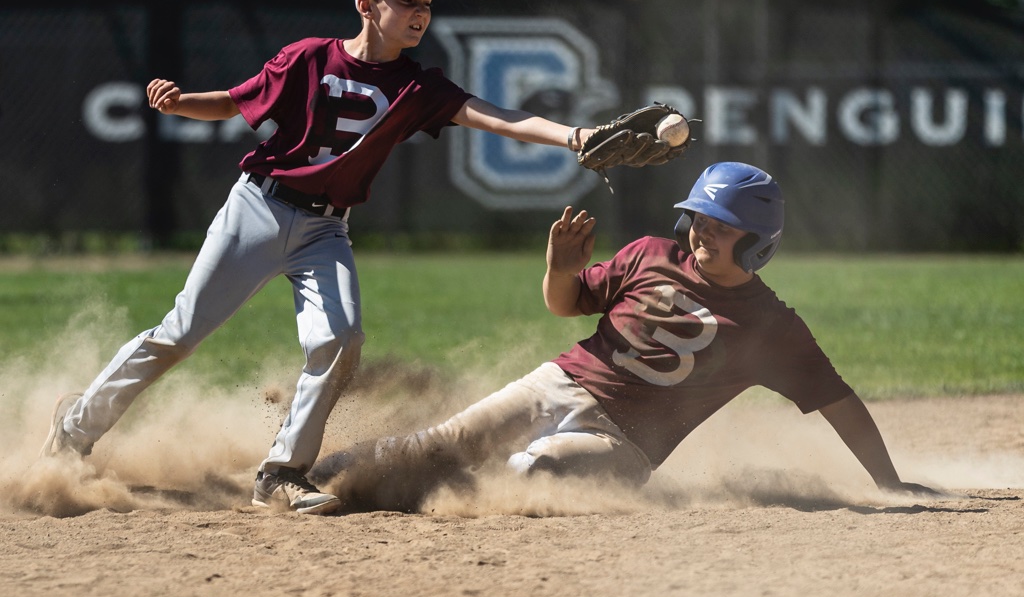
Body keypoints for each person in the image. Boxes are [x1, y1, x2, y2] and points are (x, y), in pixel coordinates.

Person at [39, 0, 600, 515]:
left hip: (325, 231)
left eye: (427, 3)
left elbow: (499, 116)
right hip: (258, 210)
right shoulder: (310, 58)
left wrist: (575, 136)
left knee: (340, 339)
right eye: (406, 0)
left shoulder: (418, 88)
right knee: (180, 335)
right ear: (366, 4)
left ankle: (281, 473)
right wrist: (182, 102)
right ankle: (76, 426)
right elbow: (235, 103)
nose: (420, 12)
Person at [309, 161, 940, 511]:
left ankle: (415, 493)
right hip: (556, 383)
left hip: (624, 443)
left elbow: (838, 401)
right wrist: (558, 267)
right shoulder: (648, 253)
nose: (704, 233)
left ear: (756, 244)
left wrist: (885, 480)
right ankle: (310, 480)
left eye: (724, 228)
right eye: (701, 219)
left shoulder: (770, 326)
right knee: (442, 441)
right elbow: (566, 305)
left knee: (532, 473)